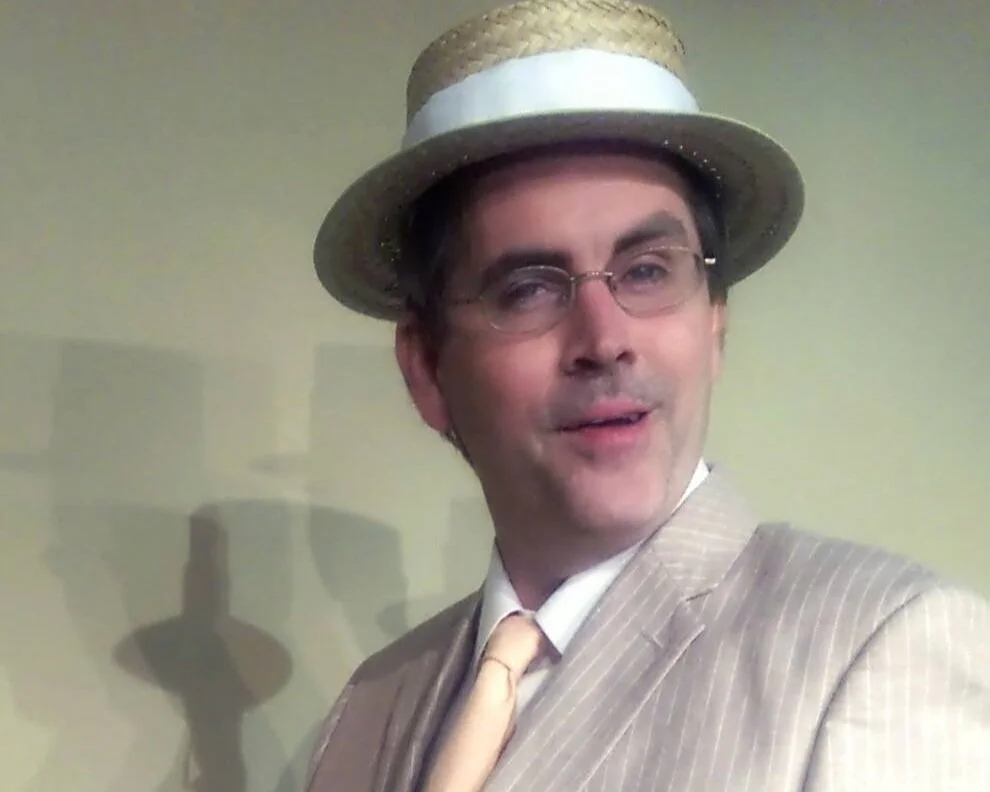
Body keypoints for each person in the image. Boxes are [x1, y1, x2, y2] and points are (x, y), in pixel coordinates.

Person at [303, 1, 990, 790]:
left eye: (648, 270)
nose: (605, 339)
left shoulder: (882, 651)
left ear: (715, 324)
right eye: (528, 289)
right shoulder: (368, 709)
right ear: (427, 369)